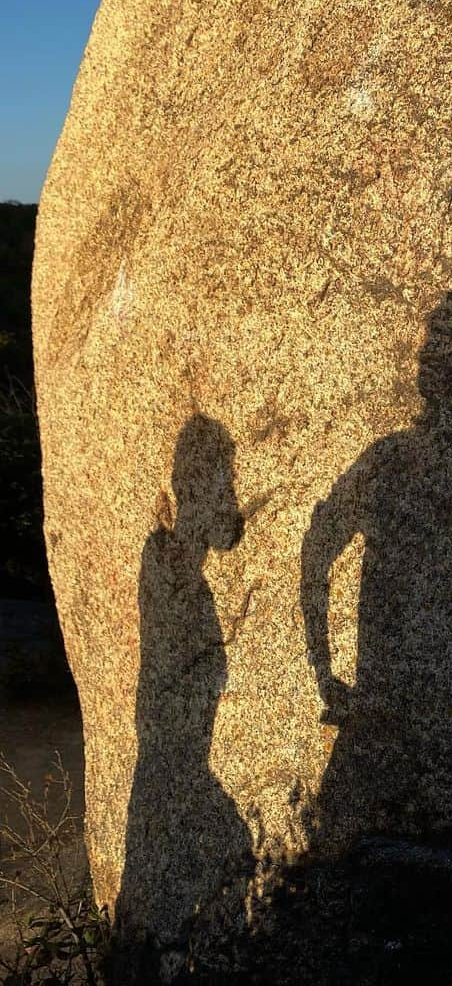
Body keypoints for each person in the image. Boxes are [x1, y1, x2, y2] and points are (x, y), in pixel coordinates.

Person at [300, 288, 452, 976]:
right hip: (433, 744)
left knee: (358, 912)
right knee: (413, 920)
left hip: (381, 732)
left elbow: (316, 551)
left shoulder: (391, 466)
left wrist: (325, 670)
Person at [116, 415, 252, 982]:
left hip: (176, 768)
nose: (232, 496)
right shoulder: (166, 561)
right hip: (172, 767)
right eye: (224, 482)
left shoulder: (179, 568)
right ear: (189, 486)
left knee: (199, 881)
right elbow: (167, 684)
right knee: (222, 858)